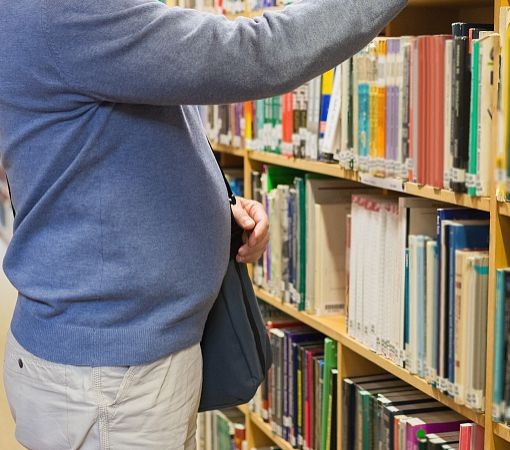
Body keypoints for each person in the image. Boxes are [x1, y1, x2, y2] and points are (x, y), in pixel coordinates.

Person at [0, 0, 405, 447]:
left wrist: (213, 206)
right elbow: (258, 52)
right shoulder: (67, 10)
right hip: (108, 375)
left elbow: (106, 144)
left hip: (119, 362)